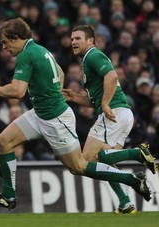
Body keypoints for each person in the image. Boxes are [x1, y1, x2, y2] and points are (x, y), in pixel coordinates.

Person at [0, 18, 152, 210]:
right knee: (3, 141)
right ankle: (8, 196)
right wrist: (56, 93)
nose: (3, 47)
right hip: (40, 113)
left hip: (56, 119)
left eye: (5, 42)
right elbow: (60, 71)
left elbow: (18, 92)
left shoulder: (26, 55)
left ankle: (132, 179)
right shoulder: (41, 50)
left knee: (79, 166)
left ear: (17, 38)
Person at [62, 24, 157, 214]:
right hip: (122, 114)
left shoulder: (93, 55)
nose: (73, 42)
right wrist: (75, 97)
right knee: (103, 163)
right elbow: (93, 99)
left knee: (86, 159)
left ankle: (137, 156)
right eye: (72, 39)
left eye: (78, 38)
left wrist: (105, 104)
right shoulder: (87, 61)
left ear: (90, 40)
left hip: (114, 112)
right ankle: (125, 202)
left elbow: (112, 76)